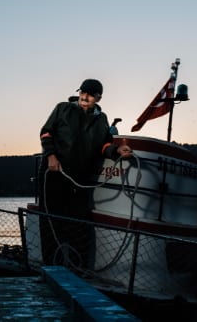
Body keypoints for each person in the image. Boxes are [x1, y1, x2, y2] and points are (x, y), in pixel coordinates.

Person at [38, 79, 132, 268]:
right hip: (55, 172)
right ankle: (50, 267)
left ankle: (76, 267)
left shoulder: (102, 118)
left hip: (81, 178)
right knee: (51, 220)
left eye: (90, 94)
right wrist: (50, 156)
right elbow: (46, 133)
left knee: (78, 222)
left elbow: (104, 144)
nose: (84, 96)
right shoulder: (63, 108)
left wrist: (116, 151)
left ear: (98, 97)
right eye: (82, 92)